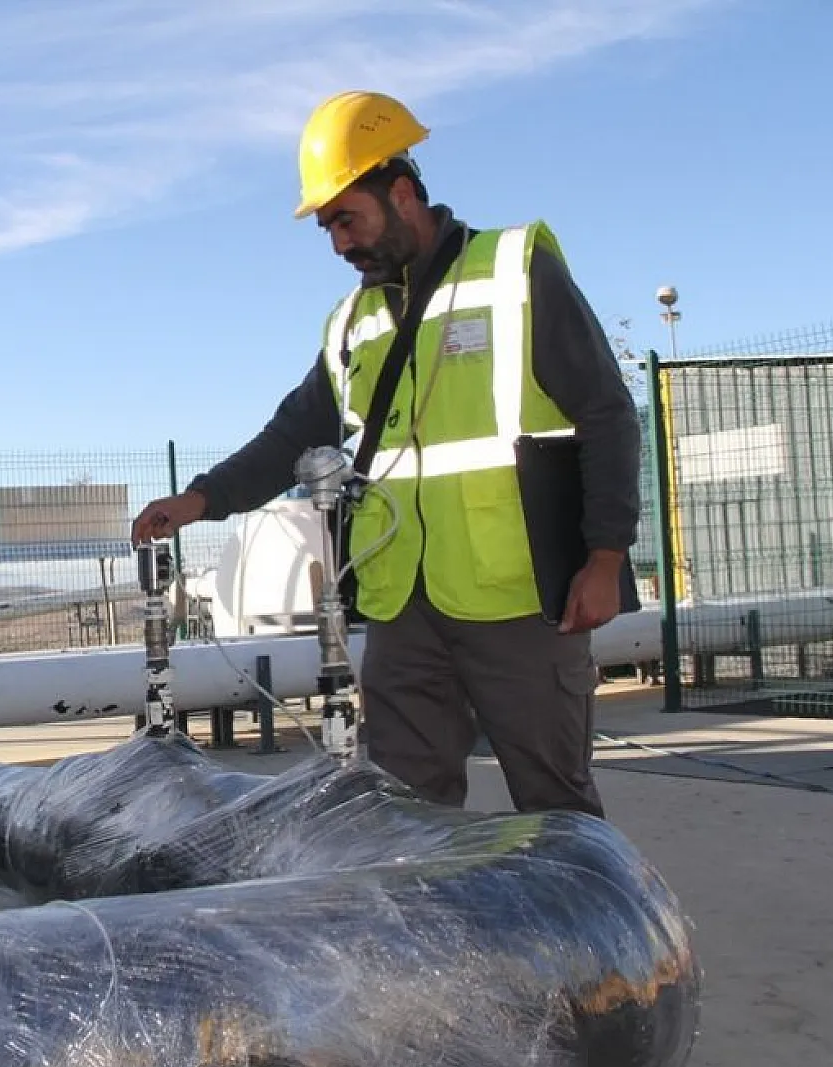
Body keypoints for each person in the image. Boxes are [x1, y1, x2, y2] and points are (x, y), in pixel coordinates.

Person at [130, 90, 642, 818]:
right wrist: (202, 499)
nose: (339, 243)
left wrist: (605, 557)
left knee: (553, 800)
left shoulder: (513, 273)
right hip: (404, 605)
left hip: (519, 596)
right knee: (406, 804)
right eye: (328, 227)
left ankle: (594, 933)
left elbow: (607, 413)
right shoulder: (353, 322)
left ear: (401, 193)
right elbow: (292, 434)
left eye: (347, 218)